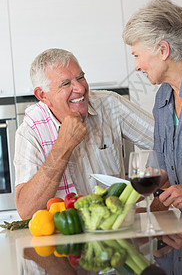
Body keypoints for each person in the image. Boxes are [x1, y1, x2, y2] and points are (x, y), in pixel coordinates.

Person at [14, 48, 154, 219]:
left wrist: (159, 191)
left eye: (80, 77)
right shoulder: (29, 132)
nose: (80, 88)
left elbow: (168, 141)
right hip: (66, 238)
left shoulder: (110, 105)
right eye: (66, 83)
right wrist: (63, 146)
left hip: (118, 229)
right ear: (43, 95)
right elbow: (26, 211)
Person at [122, 0, 182, 214]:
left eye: (137, 55)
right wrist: (143, 182)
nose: (136, 67)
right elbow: (165, 167)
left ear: (163, 50)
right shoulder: (163, 99)